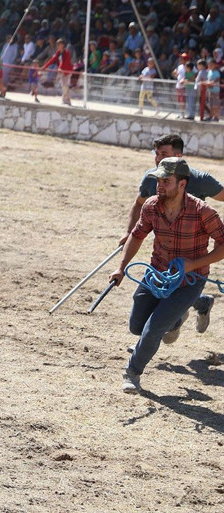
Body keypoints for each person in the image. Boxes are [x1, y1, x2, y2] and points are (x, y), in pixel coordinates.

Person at [110, 157, 224, 394]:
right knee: (137, 326)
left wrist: (194, 264)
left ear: (182, 184)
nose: (159, 185)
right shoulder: (151, 206)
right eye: (158, 180)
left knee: (154, 329)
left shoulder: (203, 212)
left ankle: (132, 373)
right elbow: (137, 234)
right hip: (156, 274)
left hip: (189, 281)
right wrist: (121, 267)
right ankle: (198, 304)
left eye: (166, 181)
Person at [119, 133, 224, 334]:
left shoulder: (201, 180)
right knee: (155, 302)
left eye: (164, 154)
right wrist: (128, 232)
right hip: (163, 253)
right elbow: (139, 203)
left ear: (179, 155)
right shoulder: (152, 178)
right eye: (156, 153)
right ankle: (196, 306)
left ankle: (163, 327)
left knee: (175, 297)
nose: (158, 159)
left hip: (190, 254)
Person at [42, 38, 73, 105]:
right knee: (64, 85)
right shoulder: (58, 53)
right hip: (61, 71)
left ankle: (65, 99)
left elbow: (65, 62)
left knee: (65, 85)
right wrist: (44, 67)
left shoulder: (67, 52)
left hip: (67, 71)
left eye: (59, 44)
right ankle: (67, 100)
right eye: (57, 44)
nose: (58, 46)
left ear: (63, 45)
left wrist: (60, 68)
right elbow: (52, 60)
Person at [172, 52, 189, 119]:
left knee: (183, 100)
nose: (180, 59)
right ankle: (180, 113)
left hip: (185, 86)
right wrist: (174, 73)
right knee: (179, 100)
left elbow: (191, 75)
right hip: (178, 86)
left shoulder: (189, 66)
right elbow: (177, 75)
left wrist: (185, 80)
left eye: (182, 58)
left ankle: (183, 114)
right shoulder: (179, 66)